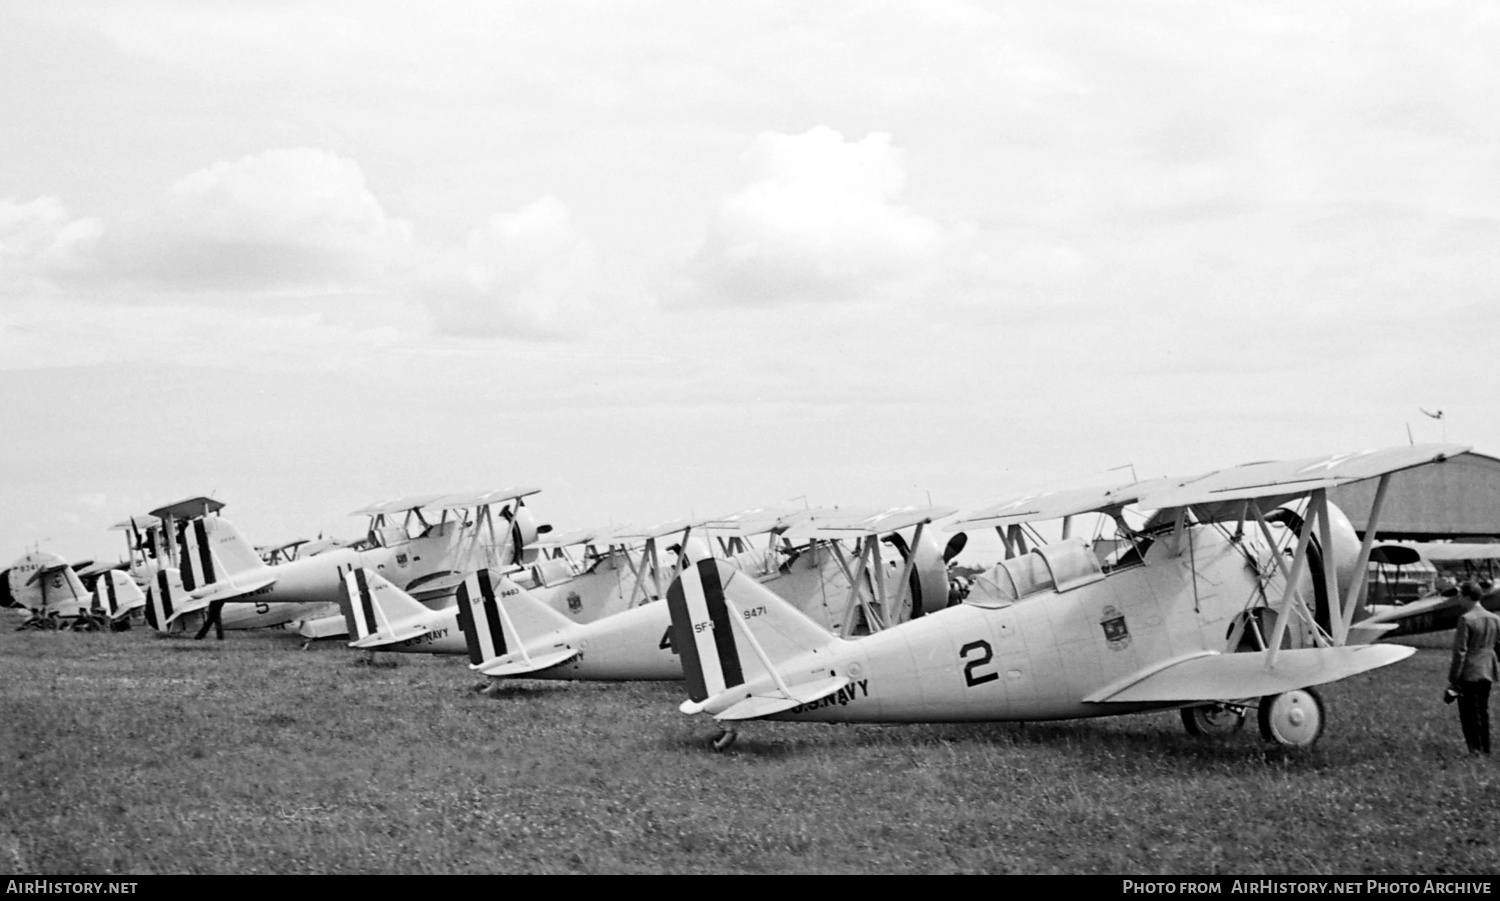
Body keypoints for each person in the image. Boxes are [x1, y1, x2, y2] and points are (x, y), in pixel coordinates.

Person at [1448, 581, 1500, 754]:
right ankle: (1485, 748)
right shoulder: (1494, 618)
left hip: (1469, 671)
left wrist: (1453, 679)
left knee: (1469, 713)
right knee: (1483, 711)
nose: (1459, 599)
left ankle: (1474, 749)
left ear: (1467, 596)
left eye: (1460, 595)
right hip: (1488, 670)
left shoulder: (1466, 619)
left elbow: (1460, 652)